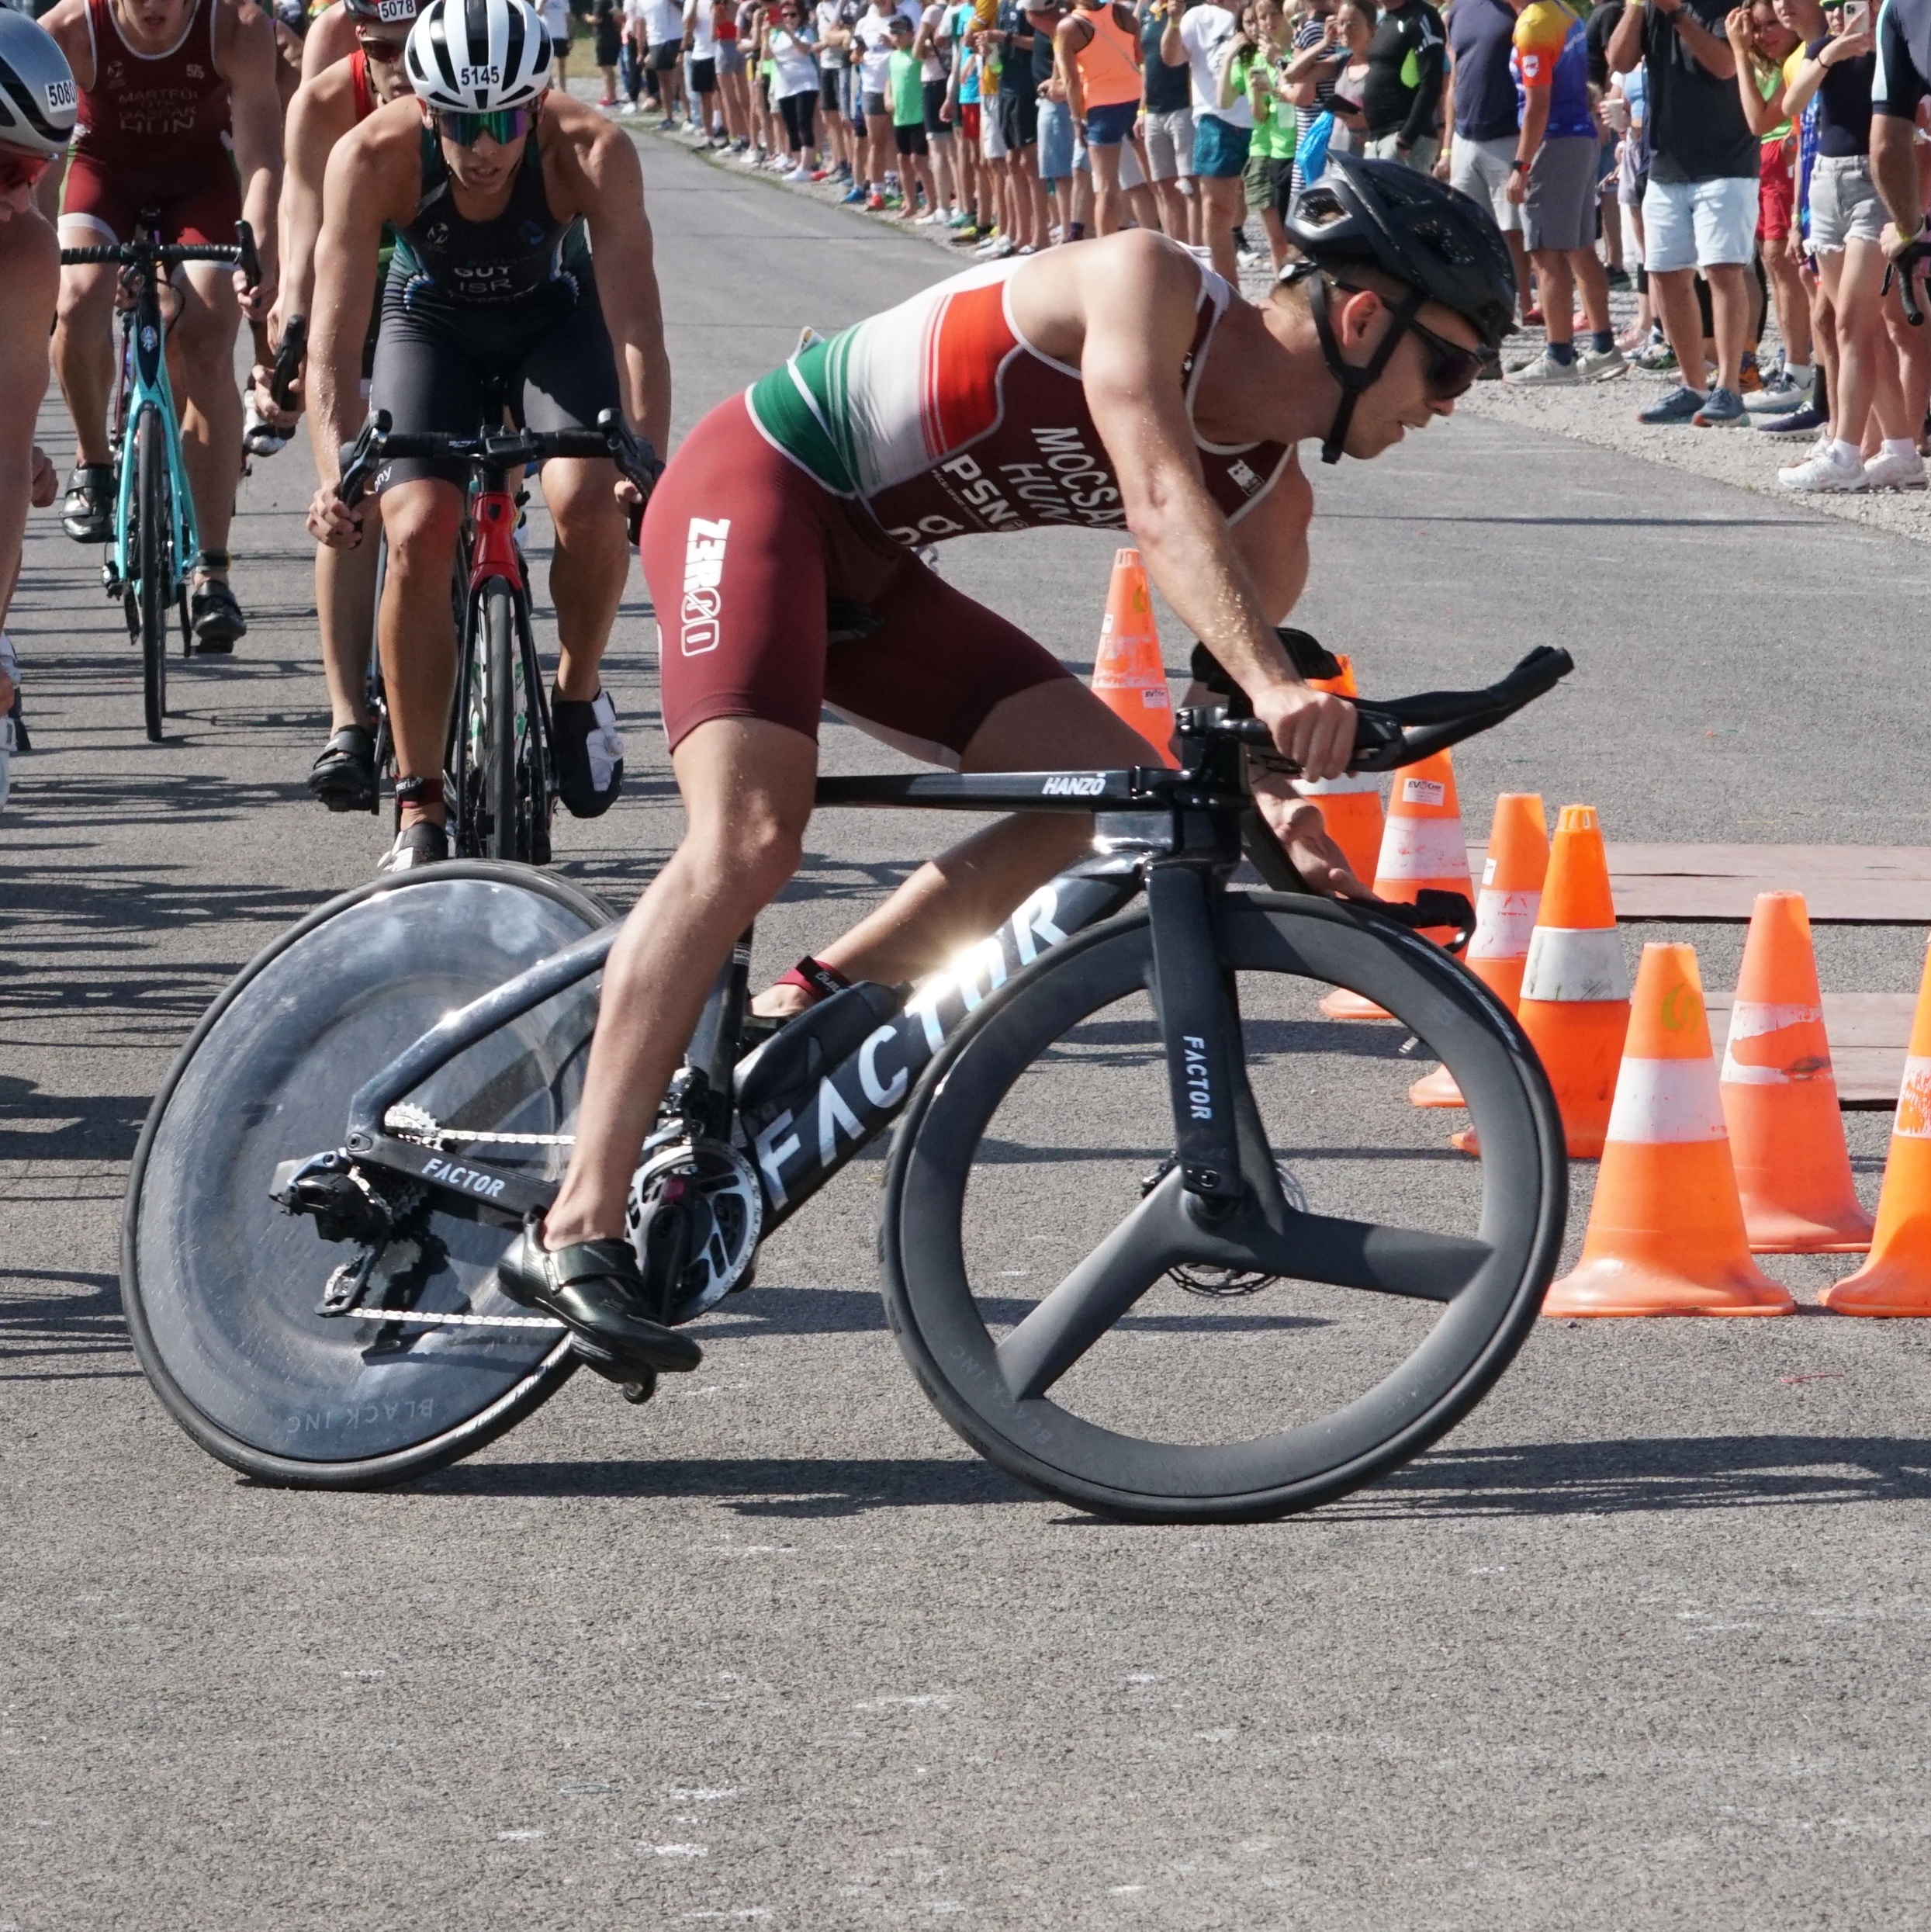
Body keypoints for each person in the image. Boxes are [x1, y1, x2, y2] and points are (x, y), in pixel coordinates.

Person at [502, 156, 1517, 1373]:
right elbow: (1157, 498)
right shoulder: (1146, 283)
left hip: (870, 571)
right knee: (751, 836)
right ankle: (575, 1224)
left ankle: (804, 1009)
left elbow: (1221, 726)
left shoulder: (1274, 510)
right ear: (1360, 320)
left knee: (1109, 803)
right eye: (1448, 367)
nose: (1449, 404)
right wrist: (1278, 683)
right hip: (756, 489)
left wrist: (1281, 808)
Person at [304, 0, 672, 871]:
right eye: (460, 124)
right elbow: (331, 348)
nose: (482, 148)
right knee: (417, 525)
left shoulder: (592, 149)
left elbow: (635, 331)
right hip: (428, 323)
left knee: (587, 499)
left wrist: (644, 461)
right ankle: (420, 803)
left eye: (504, 122)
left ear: (537, 105)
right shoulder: (370, 155)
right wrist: (338, 477)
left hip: (555, 320)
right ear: (423, 107)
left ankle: (577, 692)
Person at [44, 0, 284, 652]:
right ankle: (95, 464)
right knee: (78, 297)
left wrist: (260, 249)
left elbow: (262, 158)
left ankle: (212, 569)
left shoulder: (236, 26)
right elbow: (39, 167)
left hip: (200, 184)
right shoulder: (69, 31)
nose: (155, 5)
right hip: (103, 176)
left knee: (208, 332)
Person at [262, 0, 420, 812]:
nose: (398, 70)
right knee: (351, 497)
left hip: (450, 294)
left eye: (413, 49)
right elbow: (301, 239)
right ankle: (347, 720)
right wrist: (288, 327)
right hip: (354, 289)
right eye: (380, 51)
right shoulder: (325, 103)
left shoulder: (476, 96)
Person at [1607, 0, 1760, 427]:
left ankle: (1729, 389)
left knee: (1723, 271)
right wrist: (1636, 7)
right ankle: (1693, 385)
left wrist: (1677, 14)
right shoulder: (1650, 8)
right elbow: (1619, 60)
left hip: (1727, 160)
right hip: (1666, 162)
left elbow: (1725, 66)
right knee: (1665, 273)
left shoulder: (1727, 6)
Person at [0, 13, 76, 808]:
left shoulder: (25, 247)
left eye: (40, 169)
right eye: (8, 168)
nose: (24, 198)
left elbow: (3, 462)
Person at [1501, 0, 1621, 382]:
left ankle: (1559, 355)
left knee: (1546, 251)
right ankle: (1603, 345)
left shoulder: (1533, 25)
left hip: (1554, 141)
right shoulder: (1564, 12)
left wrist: (1521, 166)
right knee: (1581, 248)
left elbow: (1537, 104)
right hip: (1579, 136)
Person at [1724, 0, 1814, 414]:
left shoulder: (1799, 57)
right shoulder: (1773, 63)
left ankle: (1799, 368)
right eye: (1757, 27)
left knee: (1784, 263)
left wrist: (1740, 54)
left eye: (1773, 23)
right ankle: (1794, 360)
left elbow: (1759, 120)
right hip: (1764, 160)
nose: (1765, 35)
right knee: (1773, 265)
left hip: (1784, 157)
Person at [1441, 0, 1531, 322]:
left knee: (1513, 230)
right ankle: (1481, 305)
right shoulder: (1458, 9)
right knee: (1467, 226)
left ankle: (1525, 304)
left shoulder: (1518, 7)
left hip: (1507, 132)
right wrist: (1447, 148)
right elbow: (1455, 80)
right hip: (1465, 136)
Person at [1164, 0, 1247, 279]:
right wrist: (1174, 21)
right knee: (1215, 208)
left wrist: (1239, 10)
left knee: (1274, 207)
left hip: (1267, 117)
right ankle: (1228, 291)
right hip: (1216, 119)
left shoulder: (1261, 8)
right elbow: (1172, 58)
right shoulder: (1196, 16)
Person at [1057, 0, 1140, 235]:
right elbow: (1139, 56)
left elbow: (1071, 80)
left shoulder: (1069, 26)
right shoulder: (1122, 13)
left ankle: (1106, 246)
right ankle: (1158, 243)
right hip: (1137, 99)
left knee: (1106, 188)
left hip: (1102, 108)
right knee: (1147, 185)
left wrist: (1076, 120)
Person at [1359, 0, 1445, 171]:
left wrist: (1406, 139)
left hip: (1404, 140)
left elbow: (1432, 81)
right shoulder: (1385, 20)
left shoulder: (1421, 16)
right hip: (1377, 138)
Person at [1140, 0, 1195, 242]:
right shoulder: (1148, 12)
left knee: (1190, 186)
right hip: (1153, 110)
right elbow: (1145, 64)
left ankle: (1196, 253)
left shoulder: (1191, 8)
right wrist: (1141, 110)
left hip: (1184, 105)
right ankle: (1175, 250)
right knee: (1164, 187)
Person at [885, 9, 938, 206]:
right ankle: (910, 202)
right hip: (900, 116)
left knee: (919, 160)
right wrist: (887, 97)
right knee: (903, 160)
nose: (897, 36)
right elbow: (890, 80)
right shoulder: (893, 56)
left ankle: (932, 202)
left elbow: (930, 48)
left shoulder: (917, 53)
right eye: (894, 32)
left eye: (901, 31)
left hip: (918, 115)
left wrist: (920, 41)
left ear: (910, 33)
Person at [768, 0, 823, 174]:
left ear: (800, 16)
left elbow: (804, 49)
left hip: (805, 83)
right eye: (785, 15)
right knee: (790, 124)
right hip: (784, 84)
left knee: (803, 122)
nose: (789, 19)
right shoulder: (776, 35)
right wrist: (765, 35)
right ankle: (798, 163)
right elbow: (767, 56)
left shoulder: (806, 32)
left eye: (793, 15)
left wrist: (789, 34)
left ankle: (807, 165)